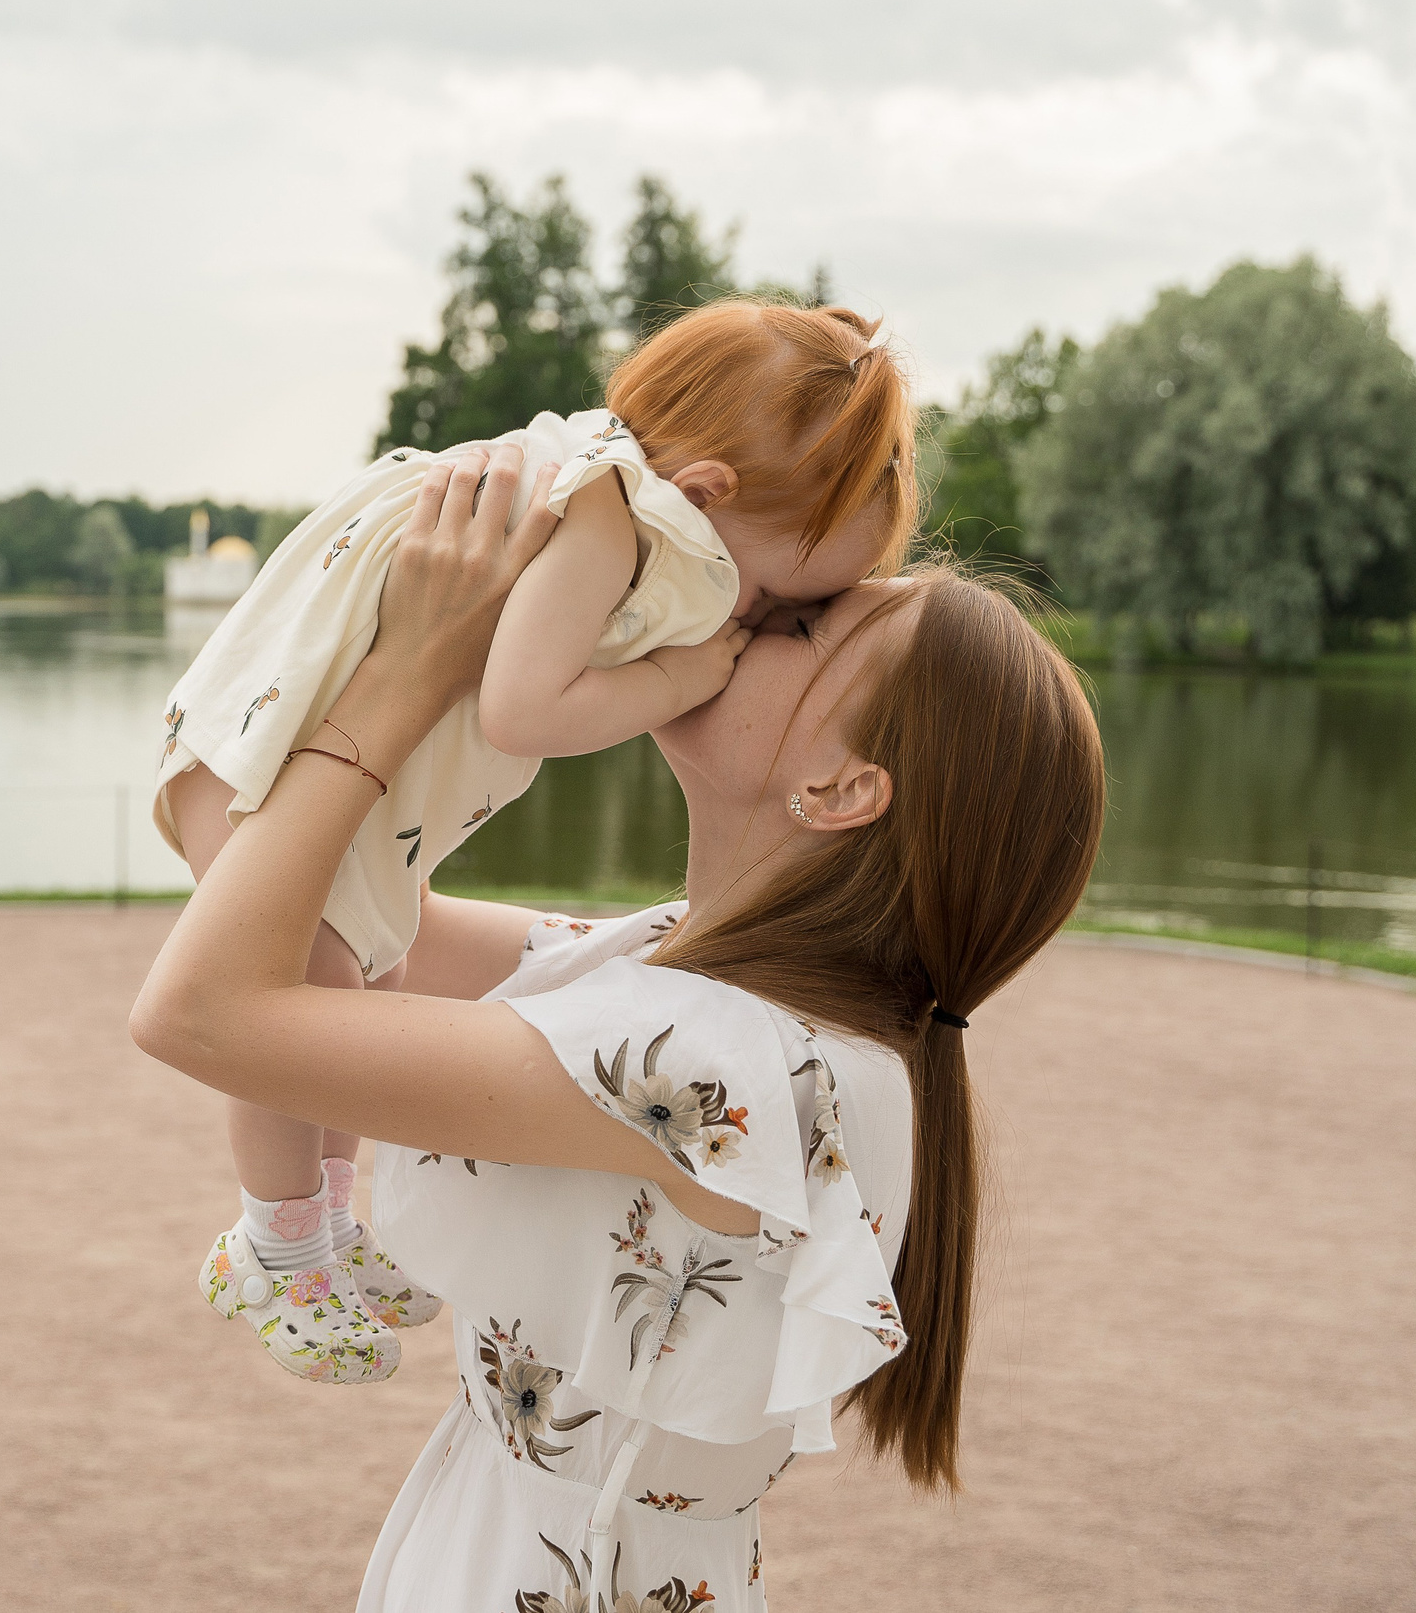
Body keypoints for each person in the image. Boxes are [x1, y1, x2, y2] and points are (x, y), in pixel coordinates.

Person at [131, 445, 1105, 1607]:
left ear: (841, 790)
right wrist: (402, 612)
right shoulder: (684, 972)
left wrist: (399, 678)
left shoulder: (713, 1062)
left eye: (788, 626)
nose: (725, 610)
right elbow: (330, 915)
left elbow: (206, 1010)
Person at [154, 301, 920, 1384]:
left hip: (280, 747)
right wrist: (678, 675)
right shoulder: (607, 514)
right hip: (265, 751)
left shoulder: (612, 500)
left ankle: (318, 1226)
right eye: (770, 602)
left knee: (352, 970)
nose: (735, 634)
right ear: (703, 496)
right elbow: (522, 710)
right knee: (310, 982)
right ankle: (276, 1245)